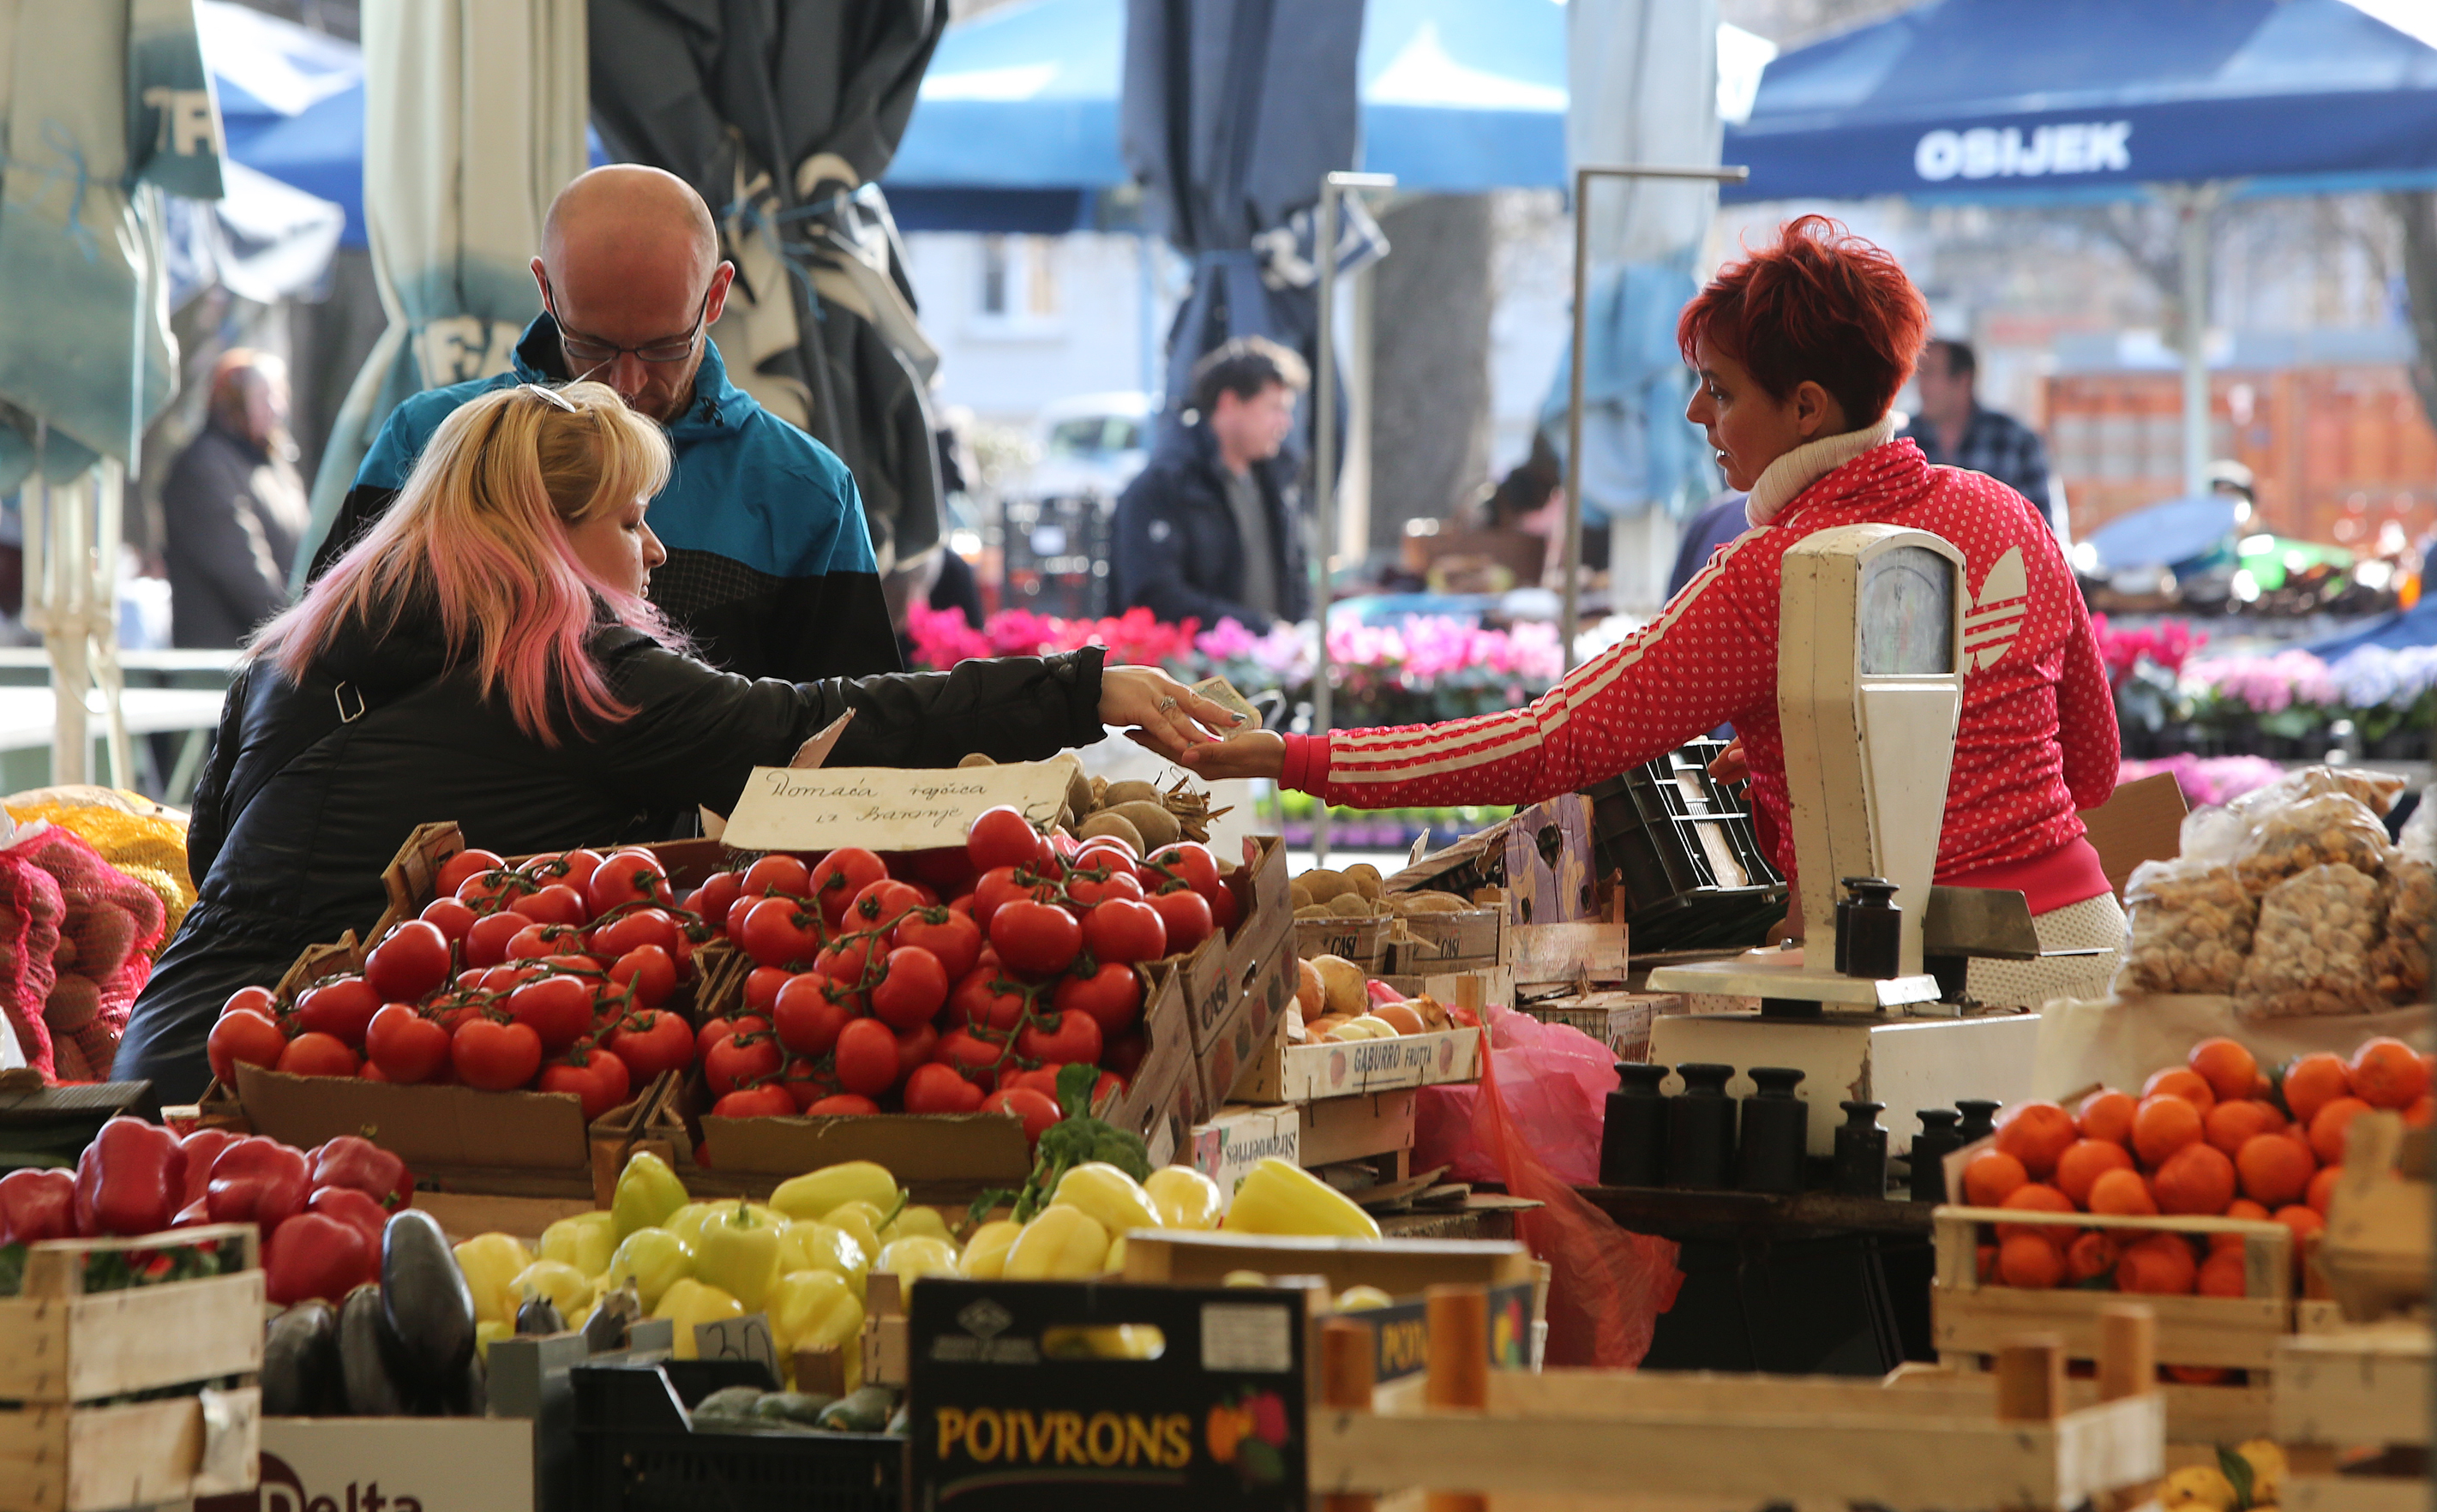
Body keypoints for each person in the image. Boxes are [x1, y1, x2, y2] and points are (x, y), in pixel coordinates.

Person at [113, 382, 1238, 1103]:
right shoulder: (570, 670)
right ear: (545, 533)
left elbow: (215, 866)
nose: (653, 553)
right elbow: (804, 727)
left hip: (176, 1055)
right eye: (629, 520)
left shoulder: (297, 652)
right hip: (305, 1094)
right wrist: (1081, 688)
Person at [1185, 217, 2124, 1006]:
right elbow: (2089, 766)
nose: (1691, 415)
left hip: (1936, 987)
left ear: (1805, 407)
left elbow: (1548, 745)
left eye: (1719, 390)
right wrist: (1830, 746)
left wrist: (1299, 757)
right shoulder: (2006, 513)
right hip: (2086, 950)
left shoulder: (1772, 576)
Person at [304, 164, 900, 685]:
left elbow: (851, 749)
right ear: (545, 290)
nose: (626, 383)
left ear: (715, 297)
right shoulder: (428, 442)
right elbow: (322, 663)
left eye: (665, 346)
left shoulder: (806, 491)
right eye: (591, 344)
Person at [1110, 338, 1310, 633]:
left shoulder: (1278, 481)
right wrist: (1260, 629)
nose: (1286, 423)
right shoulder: (1163, 485)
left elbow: (1297, 580)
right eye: (1275, 408)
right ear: (1230, 403)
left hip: (1273, 670)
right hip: (1194, 676)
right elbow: (1155, 598)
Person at [164, 349, 309, 649]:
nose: (277, 408)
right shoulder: (205, 466)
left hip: (279, 648)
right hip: (224, 659)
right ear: (232, 401)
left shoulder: (275, 464)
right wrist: (297, 635)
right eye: (263, 396)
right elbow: (244, 573)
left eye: (280, 395)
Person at [1906, 339, 2055, 523]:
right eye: (1918, 376)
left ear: (1963, 380)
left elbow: (2043, 529)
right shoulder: (1904, 444)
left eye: (1930, 374)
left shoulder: (2016, 441)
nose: (1921, 387)